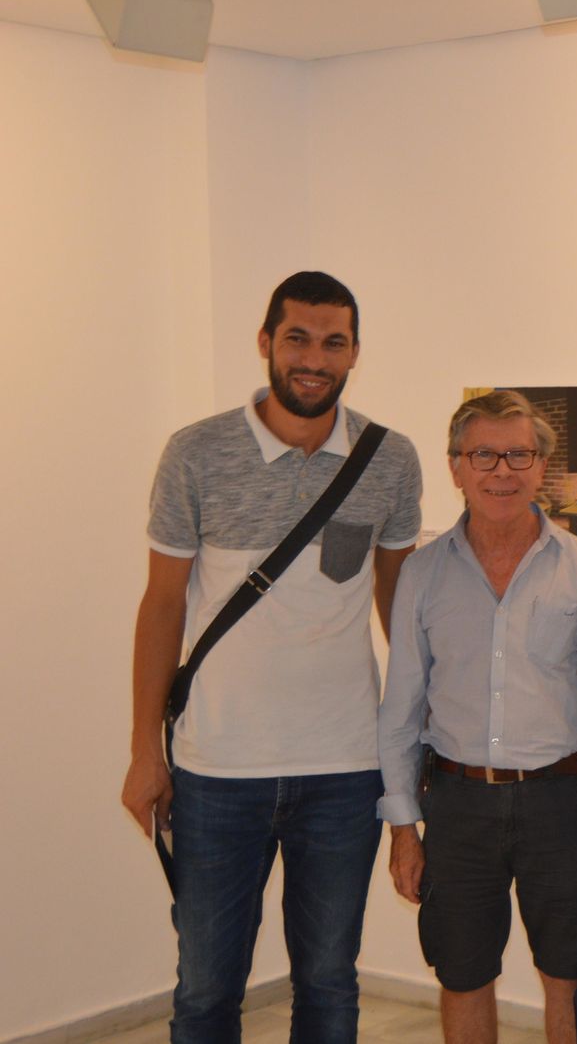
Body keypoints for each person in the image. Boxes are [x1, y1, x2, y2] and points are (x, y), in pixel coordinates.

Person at [119, 271, 423, 1043]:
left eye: (334, 341)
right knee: (206, 991)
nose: (314, 358)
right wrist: (142, 751)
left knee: (328, 985)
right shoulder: (198, 452)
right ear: (265, 342)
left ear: (355, 351)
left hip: (346, 769)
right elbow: (161, 606)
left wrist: (420, 741)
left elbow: (400, 610)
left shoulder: (388, 459)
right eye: (297, 337)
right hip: (217, 768)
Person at [378, 390, 577, 1044]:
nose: (502, 470)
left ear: (541, 466)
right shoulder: (422, 572)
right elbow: (401, 707)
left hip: (564, 800)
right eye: (484, 454)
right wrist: (403, 826)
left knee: (571, 974)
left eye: (518, 454)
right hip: (458, 803)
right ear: (456, 466)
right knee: (462, 973)